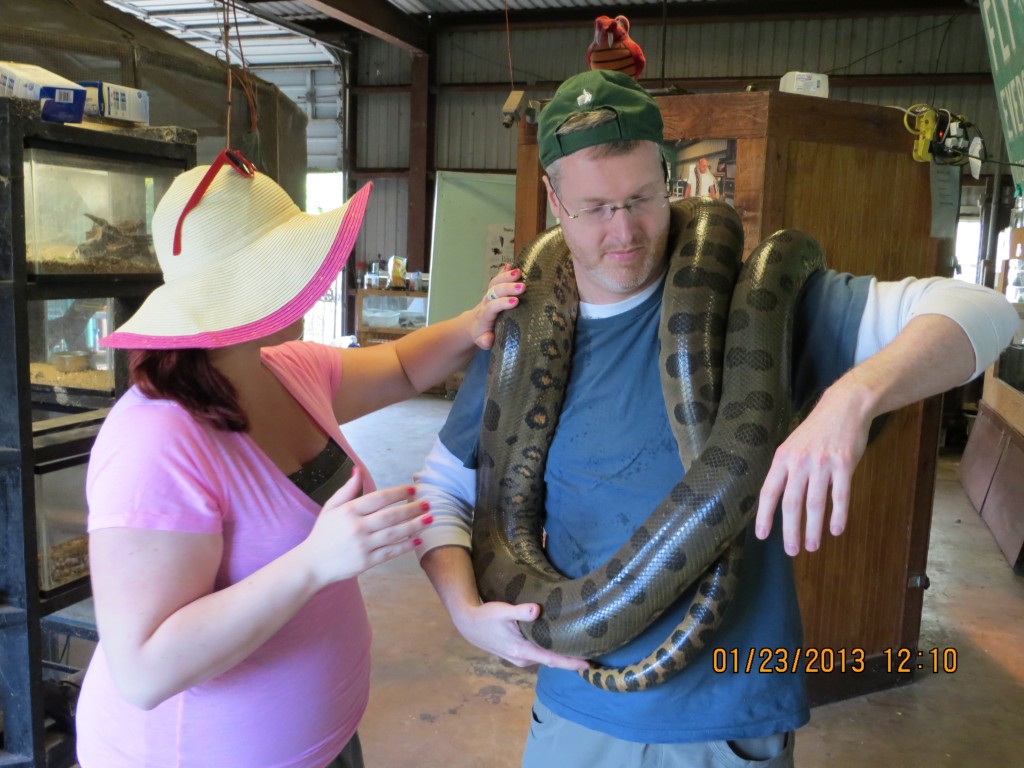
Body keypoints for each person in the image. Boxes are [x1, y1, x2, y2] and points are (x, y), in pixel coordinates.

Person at [413, 70, 1018, 768]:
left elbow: (985, 315)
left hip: (724, 726)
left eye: (641, 198)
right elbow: (443, 492)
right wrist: (466, 612)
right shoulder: (517, 330)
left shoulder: (759, 301)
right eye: (593, 208)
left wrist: (851, 400)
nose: (623, 231)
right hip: (575, 714)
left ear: (667, 179)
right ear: (553, 200)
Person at [74, 149, 525, 768]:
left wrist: (475, 319)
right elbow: (144, 670)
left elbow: (399, 365)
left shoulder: (284, 368)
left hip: (322, 740)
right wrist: (313, 563)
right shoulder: (155, 439)